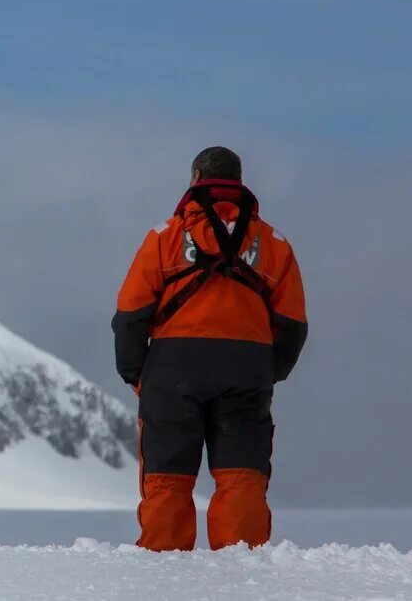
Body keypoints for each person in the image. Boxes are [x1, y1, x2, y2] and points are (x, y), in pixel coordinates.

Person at [112, 146, 308, 552]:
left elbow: (131, 312)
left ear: (195, 177)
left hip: (173, 369)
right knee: (242, 478)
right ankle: (240, 573)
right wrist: (265, 373)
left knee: (167, 479)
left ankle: (162, 575)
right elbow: (292, 324)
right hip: (246, 368)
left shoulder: (164, 237)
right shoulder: (274, 243)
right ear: (238, 181)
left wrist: (136, 374)